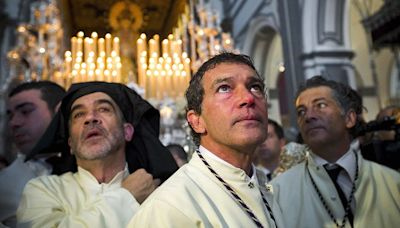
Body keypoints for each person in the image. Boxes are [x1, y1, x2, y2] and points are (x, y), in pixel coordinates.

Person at [128, 53, 284, 227]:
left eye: (255, 87)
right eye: (224, 88)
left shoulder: (266, 189)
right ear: (197, 121)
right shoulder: (169, 207)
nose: (248, 98)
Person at [16, 82, 178, 227]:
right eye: (79, 114)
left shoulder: (159, 192)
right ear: (70, 144)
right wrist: (126, 197)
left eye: (103, 109)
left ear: (127, 132)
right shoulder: (44, 190)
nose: (90, 118)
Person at [271, 76, 400, 228]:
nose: (308, 116)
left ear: (349, 118)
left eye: (320, 105)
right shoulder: (278, 193)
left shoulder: (393, 183)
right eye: (301, 112)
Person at [0, 81, 66, 227]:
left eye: (25, 111)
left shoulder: (100, 165)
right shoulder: (5, 184)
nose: (14, 123)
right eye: (10, 116)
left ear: (60, 112)